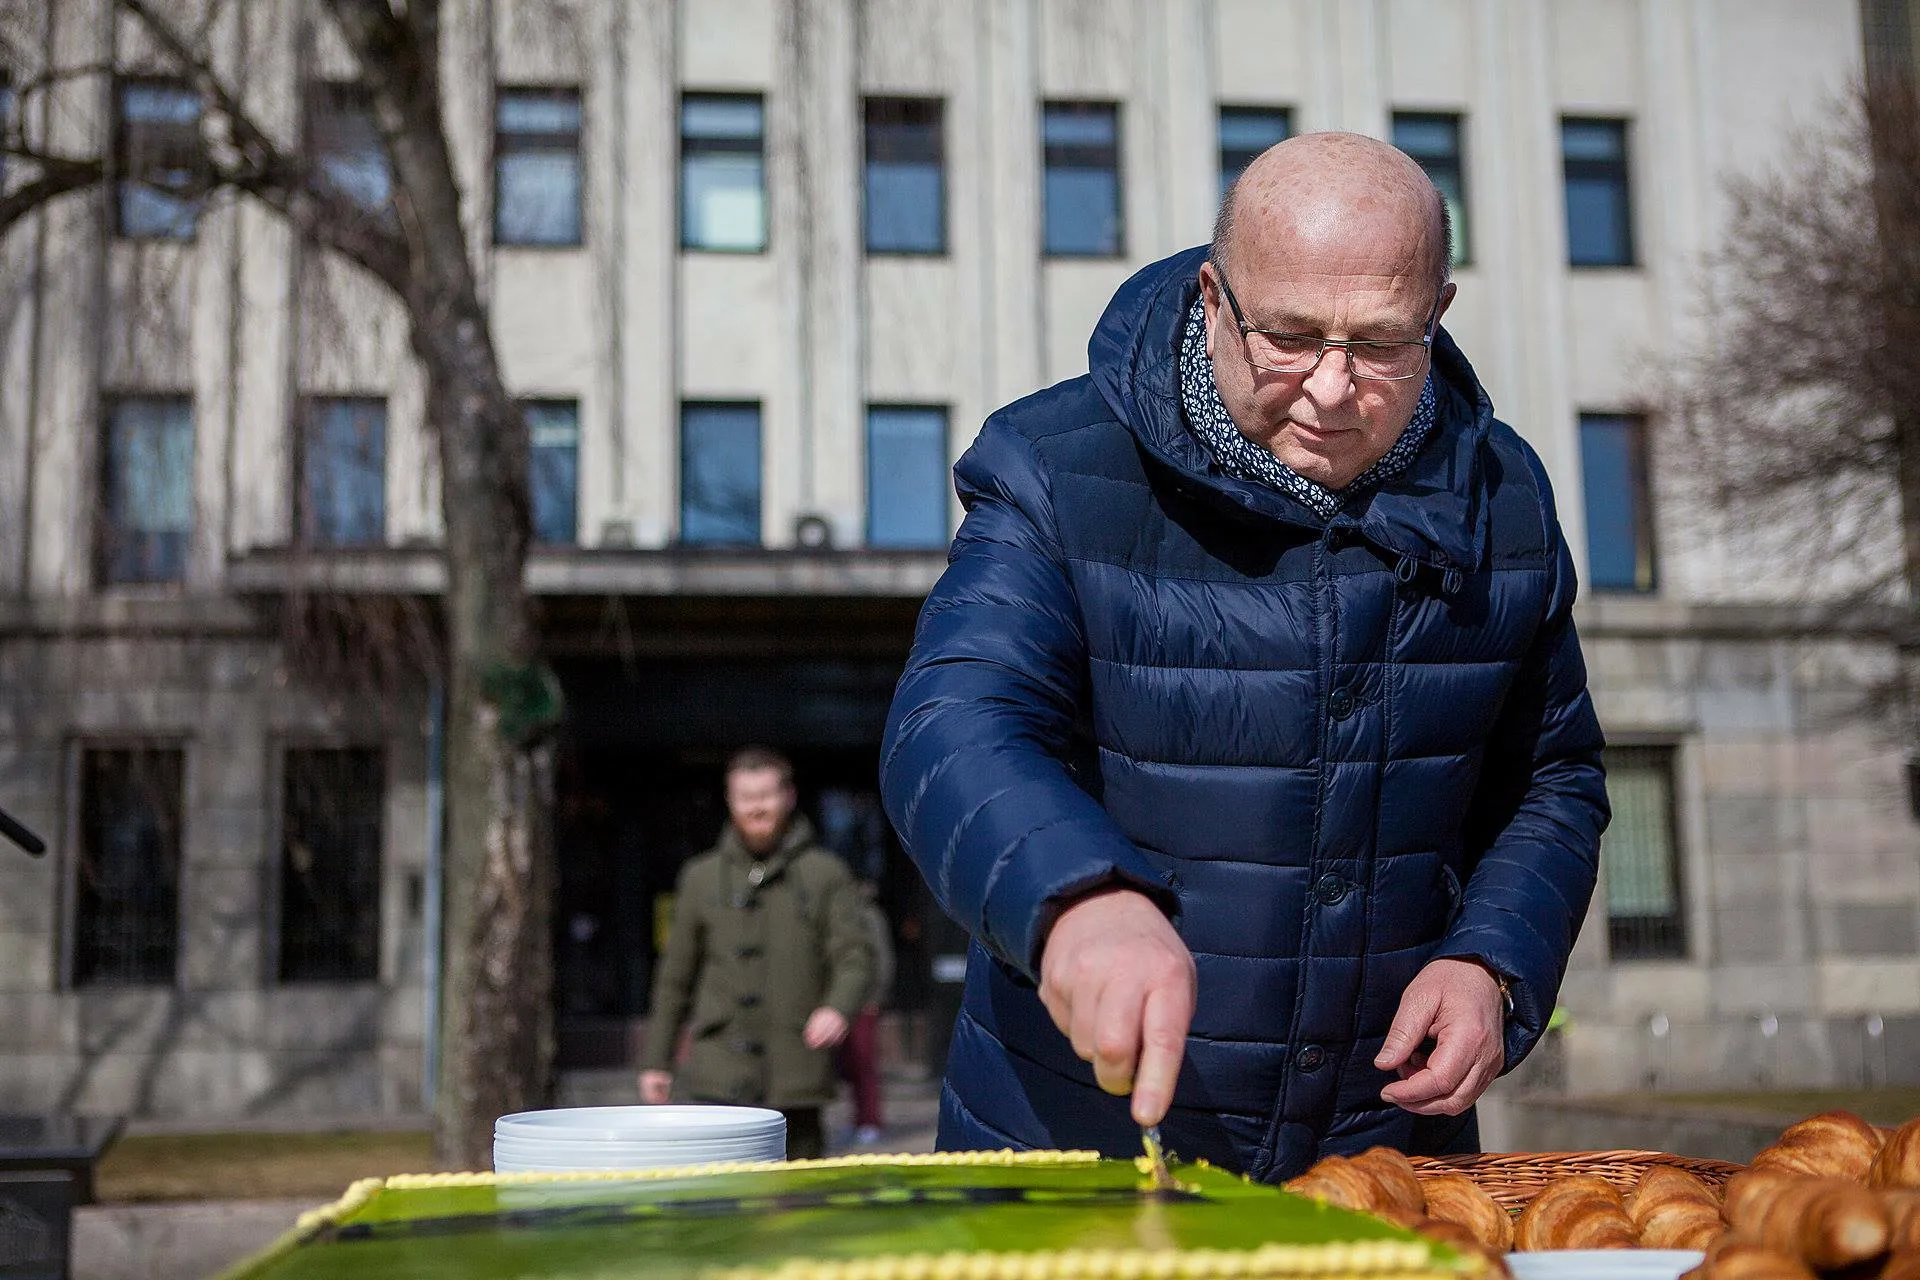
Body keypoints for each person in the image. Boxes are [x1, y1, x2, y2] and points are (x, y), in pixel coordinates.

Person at [879, 132, 1609, 1182]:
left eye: (1384, 342)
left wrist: (1493, 956)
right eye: (1292, 336)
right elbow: (952, 723)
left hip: (1382, 1156)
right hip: (1073, 1138)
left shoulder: (1508, 498)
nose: (1332, 387)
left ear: (1439, 312)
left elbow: (1554, 775)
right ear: (1215, 301)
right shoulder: (1053, 463)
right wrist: (1075, 897)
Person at [640, 746, 873, 1160]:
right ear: (730, 801)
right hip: (720, 1070)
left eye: (765, 796)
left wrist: (838, 1007)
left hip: (796, 1066)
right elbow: (675, 976)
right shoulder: (701, 876)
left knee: (799, 1204)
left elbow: (855, 956)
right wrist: (657, 1060)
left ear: (788, 797)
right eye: (746, 798)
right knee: (724, 1205)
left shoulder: (825, 873)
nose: (757, 808)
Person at [838, 881, 896, 1145]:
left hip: (864, 1001)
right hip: (840, 1001)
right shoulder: (839, 913)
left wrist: (876, 996)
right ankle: (858, 1118)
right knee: (849, 1063)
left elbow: (883, 959)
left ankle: (870, 1119)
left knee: (865, 1062)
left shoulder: (869, 916)